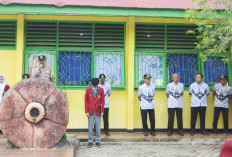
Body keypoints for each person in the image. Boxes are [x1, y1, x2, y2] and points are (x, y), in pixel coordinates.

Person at [85, 78, 105, 148]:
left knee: (97, 127)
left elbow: (102, 101)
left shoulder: (101, 90)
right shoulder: (88, 90)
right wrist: (86, 111)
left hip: (98, 111)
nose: (94, 87)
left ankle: (98, 141)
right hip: (90, 111)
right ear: (91, 84)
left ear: (98, 84)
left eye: (95, 86)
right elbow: (86, 101)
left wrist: (102, 111)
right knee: (90, 127)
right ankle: (90, 141)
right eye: (94, 86)